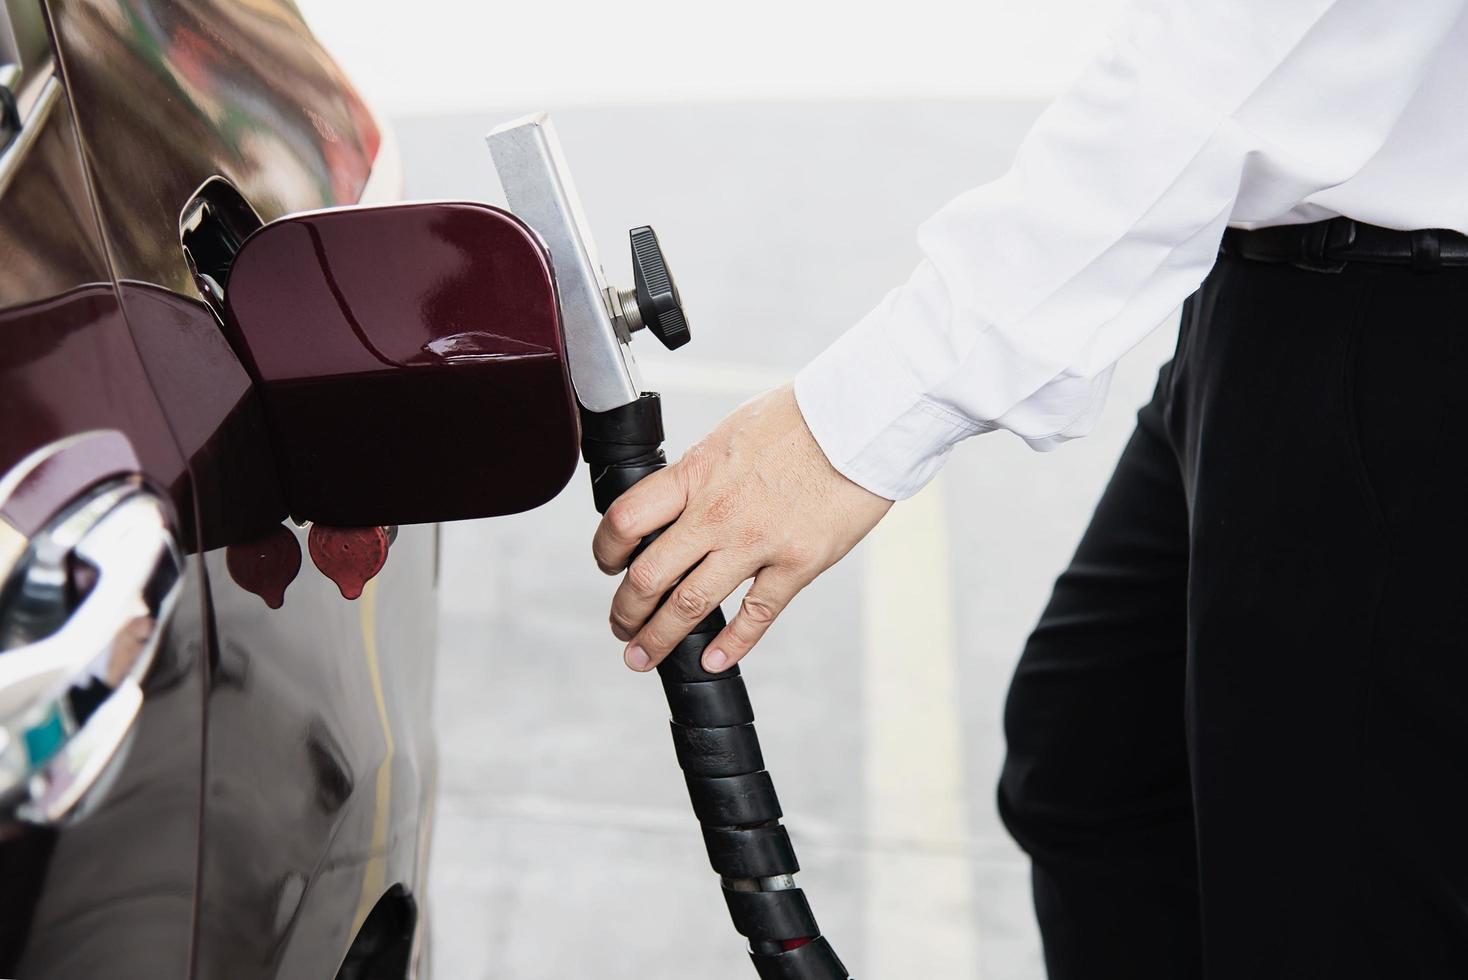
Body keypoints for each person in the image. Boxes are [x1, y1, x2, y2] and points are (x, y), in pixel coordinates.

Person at [589, 1, 1468, 976]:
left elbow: (1224, 66)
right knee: (1093, 780)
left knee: (1328, 913)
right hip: (1269, 298)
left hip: (1407, 334)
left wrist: (847, 423)